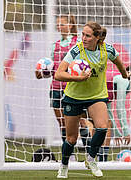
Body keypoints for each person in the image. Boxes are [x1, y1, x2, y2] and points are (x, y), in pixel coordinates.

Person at [54, 21, 128, 178]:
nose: (83, 38)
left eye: (87, 35)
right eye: (82, 34)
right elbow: (58, 74)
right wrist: (78, 79)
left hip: (96, 96)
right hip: (74, 97)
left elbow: (119, 62)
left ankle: (91, 159)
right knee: (72, 139)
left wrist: (125, 75)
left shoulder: (107, 50)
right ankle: (64, 165)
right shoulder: (76, 50)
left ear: (97, 38)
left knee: (102, 127)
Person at [35, 14, 91, 159]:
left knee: (81, 121)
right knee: (62, 123)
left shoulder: (78, 43)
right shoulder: (55, 45)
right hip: (55, 87)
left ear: (70, 25)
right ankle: (70, 155)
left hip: (73, 88)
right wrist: (41, 73)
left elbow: (83, 64)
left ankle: (89, 152)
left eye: (63, 24)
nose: (60, 27)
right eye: (58, 24)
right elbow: (51, 68)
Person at [98, 66, 131, 161]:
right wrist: (126, 132)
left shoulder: (111, 89)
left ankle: (101, 159)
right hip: (87, 94)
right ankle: (99, 158)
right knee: (101, 126)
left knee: (102, 125)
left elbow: (109, 112)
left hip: (93, 95)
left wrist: (117, 133)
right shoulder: (123, 80)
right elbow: (120, 108)